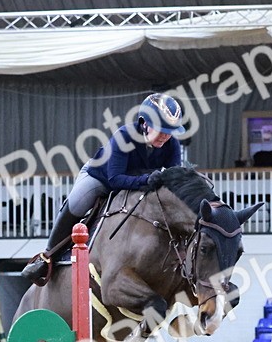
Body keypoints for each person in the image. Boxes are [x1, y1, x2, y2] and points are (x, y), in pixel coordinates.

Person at [20, 93, 186, 286]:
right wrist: (147, 180)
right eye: (161, 130)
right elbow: (114, 179)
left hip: (140, 185)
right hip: (101, 178)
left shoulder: (171, 144)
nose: (165, 136)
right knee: (77, 203)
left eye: (170, 131)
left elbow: (174, 178)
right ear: (144, 124)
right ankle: (47, 256)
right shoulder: (125, 136)